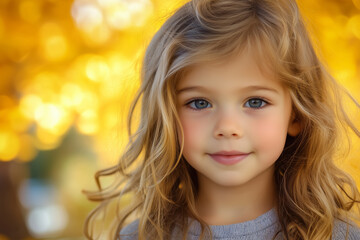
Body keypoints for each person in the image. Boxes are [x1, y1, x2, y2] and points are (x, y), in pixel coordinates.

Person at [83, 0, 360, 239]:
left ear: (296, 115)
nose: (227, 127)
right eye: (199, 103)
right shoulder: (138, 237)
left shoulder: (338, 236)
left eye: (255, 102)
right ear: (167, 114)